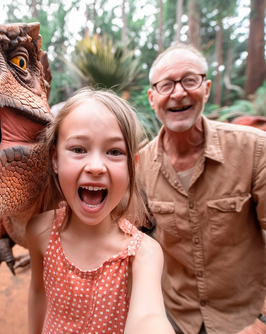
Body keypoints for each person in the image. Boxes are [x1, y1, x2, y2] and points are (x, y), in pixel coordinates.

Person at [138, 43, 266, 334]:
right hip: (175, 319)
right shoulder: (140, 165)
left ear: (206, 88)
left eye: (189, 80)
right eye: (166, 84)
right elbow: (138, 246)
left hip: (246, 318)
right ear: (152, 97)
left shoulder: (254, 148)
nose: (178, 92)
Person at [26, 87, 174, 334]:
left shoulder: (143, 255)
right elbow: (38, 291)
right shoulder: (39, 231)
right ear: (55, 159)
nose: (96, 167)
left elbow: (149, 316)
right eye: (78, 149)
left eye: (114, 152)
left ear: (131, 166)